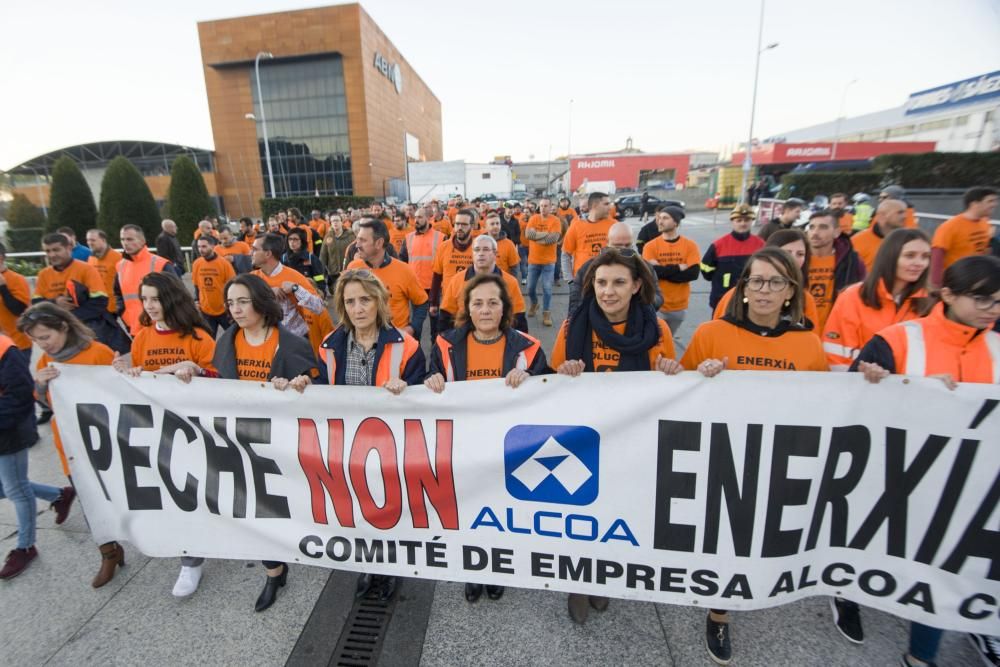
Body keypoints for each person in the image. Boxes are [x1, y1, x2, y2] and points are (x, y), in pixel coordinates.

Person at [851, 254, 1000, 667]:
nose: (993, 310)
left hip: (979, 486)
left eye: (999, 301)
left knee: (960, 566)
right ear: (948, 293)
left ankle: (939, 647)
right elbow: (846, 405)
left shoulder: (996, 345)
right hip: (906, 478)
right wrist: (884, 383)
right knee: (927, 563)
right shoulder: (899, 339)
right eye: (984, 300)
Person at [682, 247, 827, 665]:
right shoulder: (711, 334)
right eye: (756, 281)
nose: (764, 290)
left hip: (777, 461)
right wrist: (700, 376)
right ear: (742, 289)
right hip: (720, 459)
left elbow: (824, 407)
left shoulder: (809, 344)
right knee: (723, 539)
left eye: (776, 282)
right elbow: (676, 397)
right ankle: (719, 610)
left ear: (790, 292)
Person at [551, 248, 680, 623]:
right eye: (602, 282)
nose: (608, 291)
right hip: (582, 441)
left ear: (637, 285)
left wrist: (672, 370)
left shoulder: (657, 329)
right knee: (580, 515)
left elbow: (669, 388)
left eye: (619, 282)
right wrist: (564, 372)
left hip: (630, 441)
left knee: (617, 515)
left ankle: (604, 578)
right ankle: (578, 582)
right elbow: (551, 382)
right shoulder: (571, 327)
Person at [425, 273, 547, 603]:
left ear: (504, 307)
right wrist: (431, 378)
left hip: (512, 453)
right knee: (469, 514)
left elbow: (551, 396)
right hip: (463, 451)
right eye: (477, 303)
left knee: (502, 516)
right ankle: (473, 570)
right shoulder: (446, 345)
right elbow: (430, 377)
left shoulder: (529, 349)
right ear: (466, 308)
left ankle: (497, 570)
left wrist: (532, 376)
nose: (485, 310)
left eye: (493, 302)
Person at [213, 274, 322, 611]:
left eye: (243, 301)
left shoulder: (291, 345)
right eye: (231, 303)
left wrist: (300, 383)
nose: (236, 309)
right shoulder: (226, 343)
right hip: (242, 443)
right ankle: (273, 570)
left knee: (292, 505)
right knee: (253, 509)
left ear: (260, 302)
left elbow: (323, 393)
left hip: (285, 447)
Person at [317, 269, 424, 602]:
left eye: (364, 299)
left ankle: (391, 567)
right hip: (349, 447)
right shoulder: (329, 346)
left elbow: (424, 397)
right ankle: (369, 564)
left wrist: (408, 390)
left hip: (392, 448)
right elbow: (322, 392)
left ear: (378, 301)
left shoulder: (407, 346)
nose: (358, 308)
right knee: (360, 508)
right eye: (350, 302)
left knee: (391, 508)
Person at [113, 271, 217, 597]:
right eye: (145, 299)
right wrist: (131, 375)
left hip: (199, 430)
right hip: (162, 431)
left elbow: (225, 385)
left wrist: (197, 372)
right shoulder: (142, 337)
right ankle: (190, 560)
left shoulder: (199, 337)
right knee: (177, 495)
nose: (149, 305)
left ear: (171, 299)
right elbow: (141, 382)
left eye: (155, 299)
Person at [17, 303, 121, 588]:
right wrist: (39, 385)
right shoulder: (44, 364)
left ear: (63, 326)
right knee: (90, 504)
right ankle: (108, 553)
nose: (41, 344)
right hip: (72, 448)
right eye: (36, 340)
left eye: (45, 337)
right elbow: (43, 403)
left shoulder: (97, 353)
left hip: (107, 445)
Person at [0, 330, 73, 580]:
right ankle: (59, 495)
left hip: (9, 434)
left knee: (15, 489)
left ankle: (25, 546)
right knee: (9, 487)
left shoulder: (5, 350)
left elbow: (19, 398)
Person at [824, 227, 932, 371]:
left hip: (909, 390)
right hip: (858, 388)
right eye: (910, 255)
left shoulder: (931, 304)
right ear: (890, 257)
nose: (919, 263)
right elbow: (834, 357)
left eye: (925, 256)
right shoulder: (852, 297)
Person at [34, 232, 128, 354]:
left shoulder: (86, 270)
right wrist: (55, 302)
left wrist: (67, 317)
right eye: (48, 251)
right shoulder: (43, 275)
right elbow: (36, 303)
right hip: (59, 337)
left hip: (89, 334)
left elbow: (99, 303)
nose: (52, 254)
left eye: (56, 250)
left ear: (69, 248)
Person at [713, 229, 821, 329]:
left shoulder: (806, 299)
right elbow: (718, 334)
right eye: (787, 253)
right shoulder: (734, 295)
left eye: (800, 254)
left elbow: (810, 339)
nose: (793, 259)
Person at [251, 233, 334, 355]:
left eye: (255, 249)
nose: (250, 252)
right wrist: (267, 293)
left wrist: (296, 288)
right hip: (264, 344)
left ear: (268, 253)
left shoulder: (293, 276)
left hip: (295, 344)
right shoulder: (252, 278)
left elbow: (319, 307)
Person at [345, 220, 429, 337]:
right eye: (358, 239)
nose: (357, 245)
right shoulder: (353, 268)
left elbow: (422, 303)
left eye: (363, 240)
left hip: (396, 341)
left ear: (379, 243)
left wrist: (412, 328)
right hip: (362, 341)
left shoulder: (404, 270)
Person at [568, 223, 664, 315]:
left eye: (627, 245)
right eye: (617, 246)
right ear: (608, 243)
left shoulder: (644, 267)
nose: (623, 250)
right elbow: (576, 299)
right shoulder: (589, 267)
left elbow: (657, 299)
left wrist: (636, 298)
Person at [439, 234, 527, 332]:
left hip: (499, 340)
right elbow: (446, 317)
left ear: (495, 253)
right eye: (477, 250)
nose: (480, 253)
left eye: (485, 249)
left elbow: (519, 320)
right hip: (464, 341)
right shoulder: (457, 280)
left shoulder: (510, 282)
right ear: (472, 253)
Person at [641, 205, 701, 336]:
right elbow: (651, 274)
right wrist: (678, 268)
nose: (660, 221)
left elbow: (693, 274)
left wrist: (662, 270)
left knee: (668, 338)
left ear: (676, 222)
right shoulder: (650, 246)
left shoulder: (690, 246)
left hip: (678, 306)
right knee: (654, 338)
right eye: (659, 218)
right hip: (656, 304)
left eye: (665, 218)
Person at [804, 210, 865, 331]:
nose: (815, 232)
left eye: (823, 227)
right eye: (812, 227)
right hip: (801, 331)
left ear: (836, 232)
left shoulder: (851, 261)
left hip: (836, 333)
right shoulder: (798, 259)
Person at [930, 186, 998, 289]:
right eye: (990, 201)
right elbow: (937, 255)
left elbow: (985, 251)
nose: (994, 204)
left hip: (978, 280)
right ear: (975, 204)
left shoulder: (985, 223)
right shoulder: (950, 226)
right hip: (957, 281)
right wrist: (936, 285)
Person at [700, 204, 765, 309]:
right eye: (739, 220)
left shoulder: (761, 245)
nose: (743, 223)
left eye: (747, 220)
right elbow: (706, 271)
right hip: (722, 299)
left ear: (751, 221)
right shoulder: (718, 245)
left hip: (752, 300)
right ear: (732, 222)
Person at [115, 224, 175, 336]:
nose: (125, 243)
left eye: (130, 239)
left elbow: (177, 296)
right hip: (135, 329)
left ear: (142, 240)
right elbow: (118, 295)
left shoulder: (161, 264)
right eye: (122, 239)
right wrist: (125, 316)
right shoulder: (120, 266)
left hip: (162, 328)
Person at [428, 210, 476, 329]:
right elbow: (437, 276)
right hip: (448, 304)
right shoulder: (444, 247)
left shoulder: (478, 248)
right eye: (457, 224)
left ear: (472, 226)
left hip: (473, 305)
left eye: (464, 225)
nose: (459, 228)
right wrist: (433, 303)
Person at [561, 192, 615, 289]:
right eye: (606, 204)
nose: (610, 207)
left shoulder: (614, 225)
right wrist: (570, 280)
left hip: (607, 281)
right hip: (582, 280)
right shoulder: (576, 226)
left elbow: (626, 251)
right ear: (594, 205)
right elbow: (565, 254)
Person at [524, 198, 562, 327]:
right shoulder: (533, 218)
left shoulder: (555, 221)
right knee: (530, 288)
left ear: (550, 207)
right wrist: (545, 234)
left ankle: (546, 313)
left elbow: (553, 239)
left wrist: (537, 236)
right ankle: (534, 303)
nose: (543, 208)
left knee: (547, 288)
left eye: (545, 206)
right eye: (541, 206)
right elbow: (528, 235)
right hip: (533, 260)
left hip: (549, 262)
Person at [192, 234, 236, 335]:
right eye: (199, 246)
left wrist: (231, 304)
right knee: (208, 340)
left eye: (204, 246)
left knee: (233, 338)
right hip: (206, 311)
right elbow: (196, 285)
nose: (200, 249)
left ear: (212, 246)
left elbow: (233, 285)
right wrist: (196, 300)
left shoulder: (224, 263)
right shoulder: (196, 264)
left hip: (224, 310)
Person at [851, 198, 908, 272]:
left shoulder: (909, 240)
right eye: (899, 212)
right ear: (882, 216)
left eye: (904, 212)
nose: (905, 216)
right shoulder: (857, 241)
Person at [0, 242, 33, 363]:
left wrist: (3, 287)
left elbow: (18, 310)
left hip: (16, 345)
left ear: (1, 258)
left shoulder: (16, 279)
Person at [85, 229, 123, 317]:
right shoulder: (91, 258)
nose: (89, 243)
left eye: (93, 240)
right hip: (97, 306)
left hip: (113, 308)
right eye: (88, 240)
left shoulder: (118, 258)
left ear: (103, 240)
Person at [282, 227, 326, 295]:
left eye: (295, 239)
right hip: (289, 297)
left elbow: (320, 281)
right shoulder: (283, 258)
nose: (292, 242)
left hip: (307, 295)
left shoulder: (311, 258)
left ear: (302, 241)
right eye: (290, 239)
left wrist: (321, 294)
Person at [320, 214, 356, 297]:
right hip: (333, 272)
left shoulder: (350, 236)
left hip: (348, 271)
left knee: (346, 295)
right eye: (333, 221)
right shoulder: (328, 237)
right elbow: (323, 255)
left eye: (337, 220)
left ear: (341, 222)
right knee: (334, 293)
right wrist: (321, 272)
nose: (335, 223)